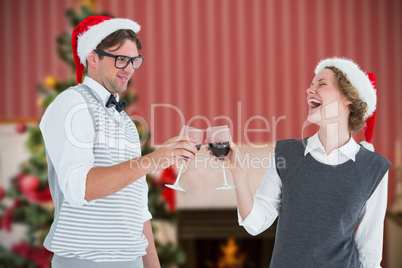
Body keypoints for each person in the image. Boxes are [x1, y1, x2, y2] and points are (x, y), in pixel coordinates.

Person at [40, 16, 197, 268]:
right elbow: (81, 188)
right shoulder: (72, 104)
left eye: (134, 61)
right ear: (93, 58)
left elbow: (138, 208)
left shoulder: (124, 121)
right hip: (85, 261)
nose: (129, 69)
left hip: (131, 260)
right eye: (120, 59)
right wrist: (152, 160)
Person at [225, 57, 391, 267]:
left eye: (321, 84)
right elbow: (255, 223)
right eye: (311, 85)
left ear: (348, 98)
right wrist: (237, 171)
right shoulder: (286, 153)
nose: (309, 90)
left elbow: (370, 252)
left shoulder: (374, 168)